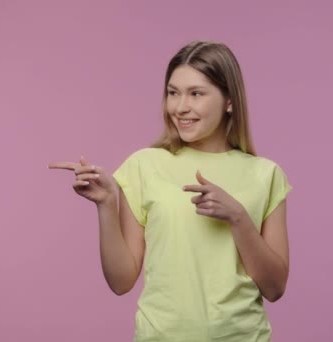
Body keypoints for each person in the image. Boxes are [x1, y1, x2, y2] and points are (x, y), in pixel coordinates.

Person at [49, 40, 293, 342]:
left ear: (229, 100)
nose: (180, 107)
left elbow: (275, 288)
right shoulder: (145, 165)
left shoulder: (265, 174)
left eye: (196, 94)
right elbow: (121, 280)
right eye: (173, 93)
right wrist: (107, 205)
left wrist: (238, 218)